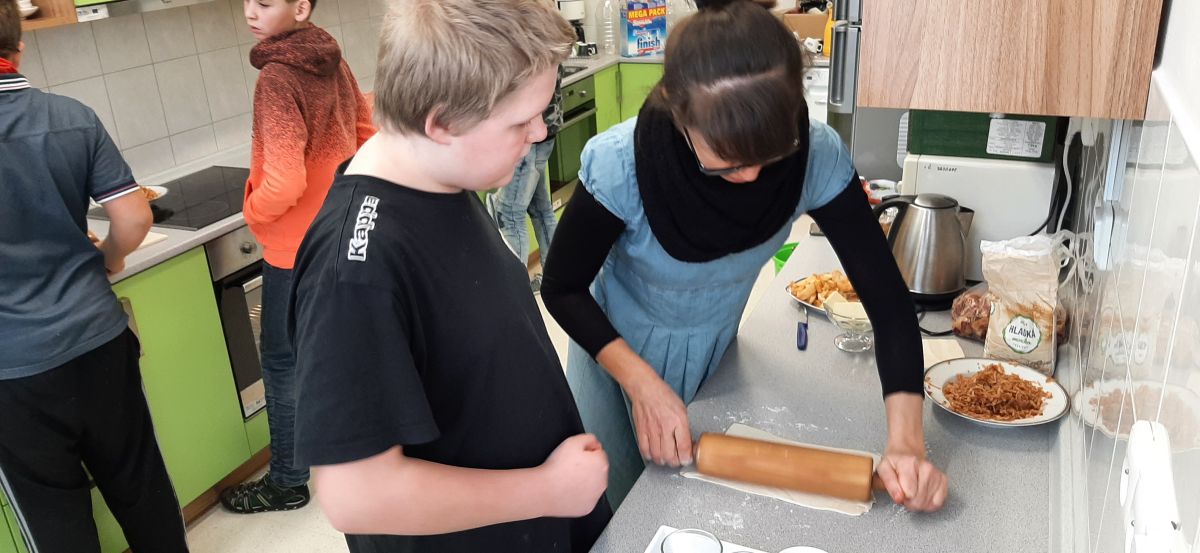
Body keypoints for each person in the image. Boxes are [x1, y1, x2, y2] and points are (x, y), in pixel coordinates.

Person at [541, 0, 949, 511]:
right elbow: (562, 288)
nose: (752, 177)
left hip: (717, 357)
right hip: (615, 354)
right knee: (625, 510)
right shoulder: (622, 165)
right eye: (727, 164)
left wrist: (907, 443)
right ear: (679, 115)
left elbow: (888, 303)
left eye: (770, 157)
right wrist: (641, 383)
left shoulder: (815, 155)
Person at [287, 0, 611, 551]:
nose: (538, 133)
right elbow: (355, 496)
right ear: (440, 123)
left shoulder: (443, 179)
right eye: (520, 121)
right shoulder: (355, 272)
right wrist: (546, 490)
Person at [0, 0, 190, 550]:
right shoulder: (71, 116)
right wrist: (107, 257)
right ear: (19, 46)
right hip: (99, 341)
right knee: (142, 486)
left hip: (13, 371)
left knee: (53, 518)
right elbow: (134, 218)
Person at [220, 0, 374, 514]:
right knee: (343, 346)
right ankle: (363, 454)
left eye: (265, 2)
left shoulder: (277, 78)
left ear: (301, 7)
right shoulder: (331, 57)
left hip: (293, 249)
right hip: (339, 232)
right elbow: (366, 135)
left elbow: (285, 180)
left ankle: (287, 482)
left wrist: (255, 212)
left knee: (283, 363)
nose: (250, 11)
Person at [486, 68, 564, 290]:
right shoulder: (546, 47)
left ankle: (516, 291)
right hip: (547, 128)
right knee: (541, 209)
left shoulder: (524, 51)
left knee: (509, 213)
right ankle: (556, 280)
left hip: (525, 136)